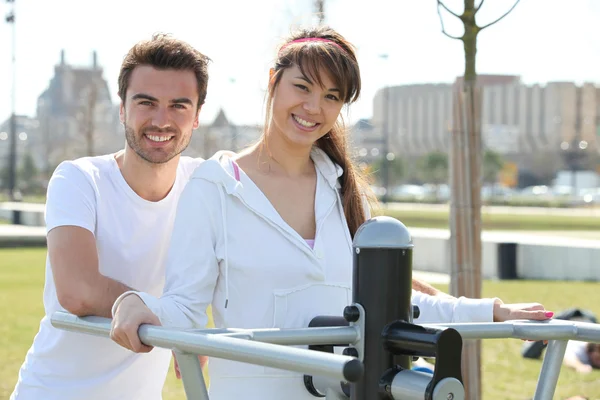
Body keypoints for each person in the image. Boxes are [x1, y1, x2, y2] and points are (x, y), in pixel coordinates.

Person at [110, 26, 553, 399]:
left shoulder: (339, 186)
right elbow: (184, 309)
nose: (313, 107)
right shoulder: (214, 186)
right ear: (273, 81)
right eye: (302, 87)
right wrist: (134, 303)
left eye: (331, 96)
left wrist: (493, 311)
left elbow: (389, 307)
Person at [10, 33, 211, 400]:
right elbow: (77, 289)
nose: (161, 120)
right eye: (146, 102)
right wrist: (166, 319)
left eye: (179, 106)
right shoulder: (79, 178)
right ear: (121, 109)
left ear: (197, 116)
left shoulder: (205, 184)